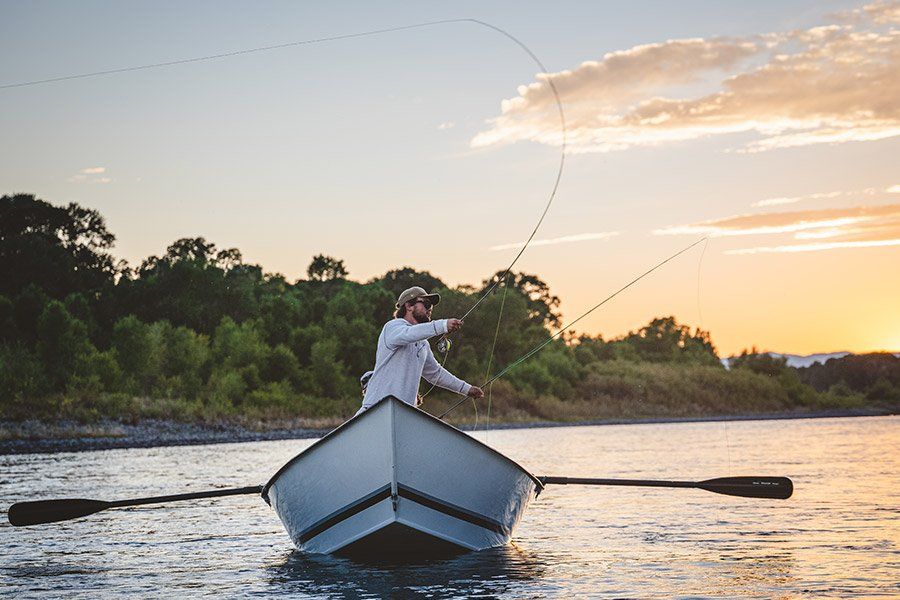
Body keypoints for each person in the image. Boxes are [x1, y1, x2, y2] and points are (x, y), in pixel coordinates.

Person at [356, 286, 484, 415]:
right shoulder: (392, 327)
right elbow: (409, 334)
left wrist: (467, 389)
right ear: (409, 306)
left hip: (404, 414)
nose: (430, 309)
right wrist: (443, 325)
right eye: (426, 304)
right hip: (374, 409)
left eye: (432, 306)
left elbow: (436, 374)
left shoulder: (423, 344)